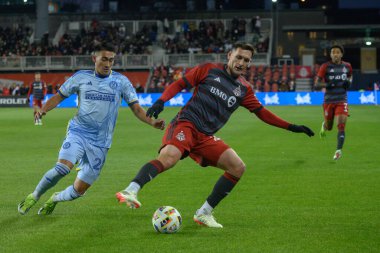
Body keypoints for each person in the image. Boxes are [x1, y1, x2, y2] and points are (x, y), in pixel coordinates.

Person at [116, 42, 314, 228]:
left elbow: (263, 113)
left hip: (205, 137)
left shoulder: (244, 89)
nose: (242, 63)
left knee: (237, 167)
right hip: (186, 124)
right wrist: (161, 101)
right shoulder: (209, 69)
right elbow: (180, 84)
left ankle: (204, 212)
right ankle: (131, 190)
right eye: (239, 57)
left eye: (246, 60)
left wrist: (292, 127)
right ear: (229, 56)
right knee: (169, 158)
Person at [17, 43, 165, 216]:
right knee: (63, 168)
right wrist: (43, 109)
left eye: (111, 60)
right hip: (78, 132)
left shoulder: (121, 81)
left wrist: (152, 122)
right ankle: (34, 196)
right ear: (94, 58)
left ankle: (55, 199)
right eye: (104, 59)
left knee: (79, 190)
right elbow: (59, 96)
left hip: (101, 142)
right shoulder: (80, 77)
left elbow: (137, 109)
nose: (108, 64)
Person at [314, 45, 352, 160]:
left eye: (337, 52)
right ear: (330, 55)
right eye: (333, 52)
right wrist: (327, 85)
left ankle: (338, 150)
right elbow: (316, 85)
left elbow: (350, 77)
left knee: (341, 126)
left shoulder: (347, 66)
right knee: (329, 127)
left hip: (342, 100)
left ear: (341, 54)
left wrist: (348, 83)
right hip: (329, 100)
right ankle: (324, 125)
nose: (335, 54)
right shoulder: (325, 67)